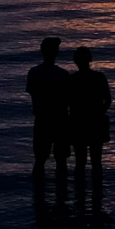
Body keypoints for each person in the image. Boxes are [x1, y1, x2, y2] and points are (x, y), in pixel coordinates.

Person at [26, 36, 72, 176]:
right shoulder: (63, 75)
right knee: (61, 160)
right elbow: (69, 99)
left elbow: (32, 93)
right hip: (60, 120)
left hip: (42, 119)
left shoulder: (34, 73)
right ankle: (61, 192)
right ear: (55, 53)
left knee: (40, 159)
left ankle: (38, 193)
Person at [68, 45, 112, 174]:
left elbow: (66, 102)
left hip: (78, 122)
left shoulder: (72, 80)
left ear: (76, 61)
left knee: (80, 161)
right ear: (90, 60)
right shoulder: (99, 77)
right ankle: (97, 191)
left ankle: (79, 191)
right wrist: (99, 113)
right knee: (96, 161)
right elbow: (108, 100)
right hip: (95, 122)